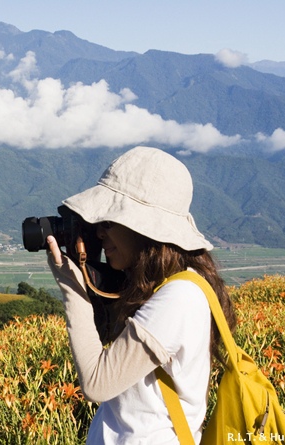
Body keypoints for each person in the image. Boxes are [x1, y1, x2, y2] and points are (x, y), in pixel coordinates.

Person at [45, 146, 236, 444]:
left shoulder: (179, 297)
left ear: (141, 229)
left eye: (107, 222)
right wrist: (89, 271)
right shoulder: (159, 288)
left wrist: (73, 287)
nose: (98, 234)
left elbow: (97, 383)